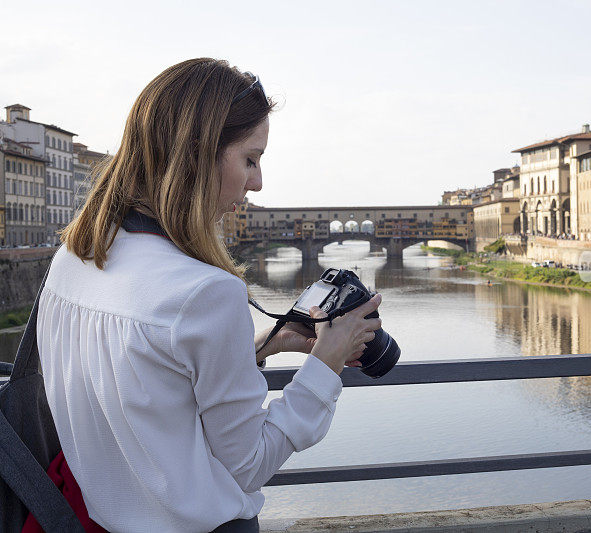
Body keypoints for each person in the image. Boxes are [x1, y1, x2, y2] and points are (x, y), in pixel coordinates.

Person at [36, 58, 382, 532]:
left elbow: (147, 382)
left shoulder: (73, 261)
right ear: (199, 155)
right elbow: (249, 465)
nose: (256, 182)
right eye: (250, 159)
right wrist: (326, 363)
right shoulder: (204, 293)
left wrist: (264, 345)